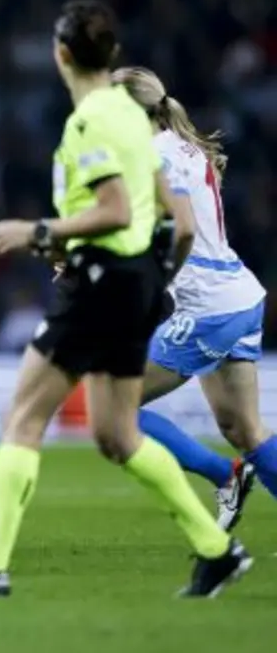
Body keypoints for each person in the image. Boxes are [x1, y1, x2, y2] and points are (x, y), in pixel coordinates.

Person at [0, 1, 250, 600]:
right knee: (117, 433)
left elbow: (113, 208)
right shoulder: (135, 119)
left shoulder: (90, 123)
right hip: (132, 282)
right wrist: (144, 270)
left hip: (100, 283)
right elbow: (173, 220)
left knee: (23, 417)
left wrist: (38, 232)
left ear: (61, 55)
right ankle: (217, 551)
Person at [113, 66, 274, 530]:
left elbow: (171, 230)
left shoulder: (153, 157)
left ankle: (225, 476)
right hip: (240, 296)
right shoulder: (182, 145)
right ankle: (234, 469)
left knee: (117, 406)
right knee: (244, 428)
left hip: (208, 305)